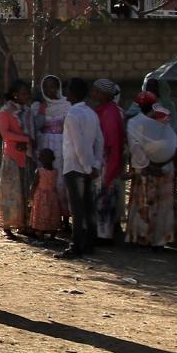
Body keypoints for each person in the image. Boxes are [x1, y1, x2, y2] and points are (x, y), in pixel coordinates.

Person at [57, 78, 104, 259]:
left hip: (76, 167)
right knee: (88, 206)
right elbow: (99, 141)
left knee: (77, 208)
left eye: (68, 90)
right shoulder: (91, 114)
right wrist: (95, 164)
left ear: (73, 93)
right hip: (88, 166)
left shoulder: (73, 115)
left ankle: (76, 245)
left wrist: (86, 166)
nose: (66, 93)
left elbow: (79, 144)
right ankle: (89, 242)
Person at [125, 96, 177, 249]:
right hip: (165, 169)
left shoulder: (134, 123)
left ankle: (143, 236)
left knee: (145, 203)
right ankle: (160, 238)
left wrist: (148, 165)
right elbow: (176, 145)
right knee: (162, 205)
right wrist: (163, 162)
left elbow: (135, 147)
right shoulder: (163, 122)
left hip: (146, 171)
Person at [0, 82, 34, 240]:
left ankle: (22, 224)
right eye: (23, 94)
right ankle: (6, 226)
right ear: (15, 94)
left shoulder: (28, 111)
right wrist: (25, 139)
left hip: (26, 155)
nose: (26, 97)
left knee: (24, 190)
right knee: (10, 191)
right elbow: (5, 134)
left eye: (27, 94)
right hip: (12, 155)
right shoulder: (5, 111)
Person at [91, 80, 127, 244]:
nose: (93, 94)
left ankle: (104, 235)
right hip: (104, 160)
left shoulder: (110, 114)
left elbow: (112, 142)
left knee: (104, 197)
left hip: (107, 162)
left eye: (97, 91)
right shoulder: (105, 111)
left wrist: (111, 166)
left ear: (105, 94)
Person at [33, 75, 70, 167]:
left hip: (62, 143)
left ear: (58, 88)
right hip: (43, 144)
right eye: (45, 87)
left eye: (52, 87)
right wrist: (41, 111)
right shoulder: (37, 106)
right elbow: (34, 127)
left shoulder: (66, 105)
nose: (48, 90)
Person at [29, 148, 64, 239]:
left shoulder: (39, 171)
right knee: (52, 213)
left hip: (40, 197)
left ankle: (40, 232)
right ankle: (53, 232)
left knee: (41, 214)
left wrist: (30, 194)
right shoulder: (55, 171)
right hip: (52, 196)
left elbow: (34, 184)